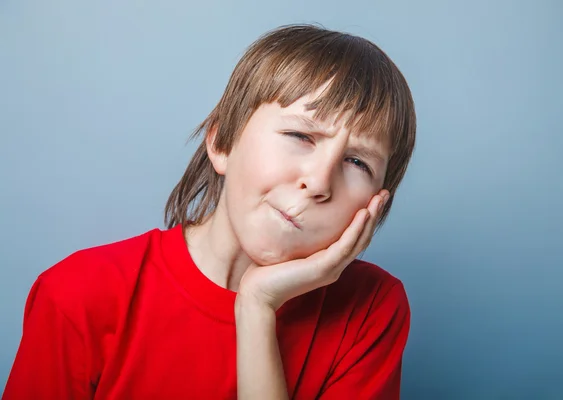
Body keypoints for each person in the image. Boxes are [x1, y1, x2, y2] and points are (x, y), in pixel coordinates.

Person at [3, 24, 416, 399]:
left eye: (358, 163)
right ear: (221, 143)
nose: (320, 182)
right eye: (299, 135)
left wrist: (256, 307)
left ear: (376, 202)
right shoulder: (78, 294)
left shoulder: (372, 309)